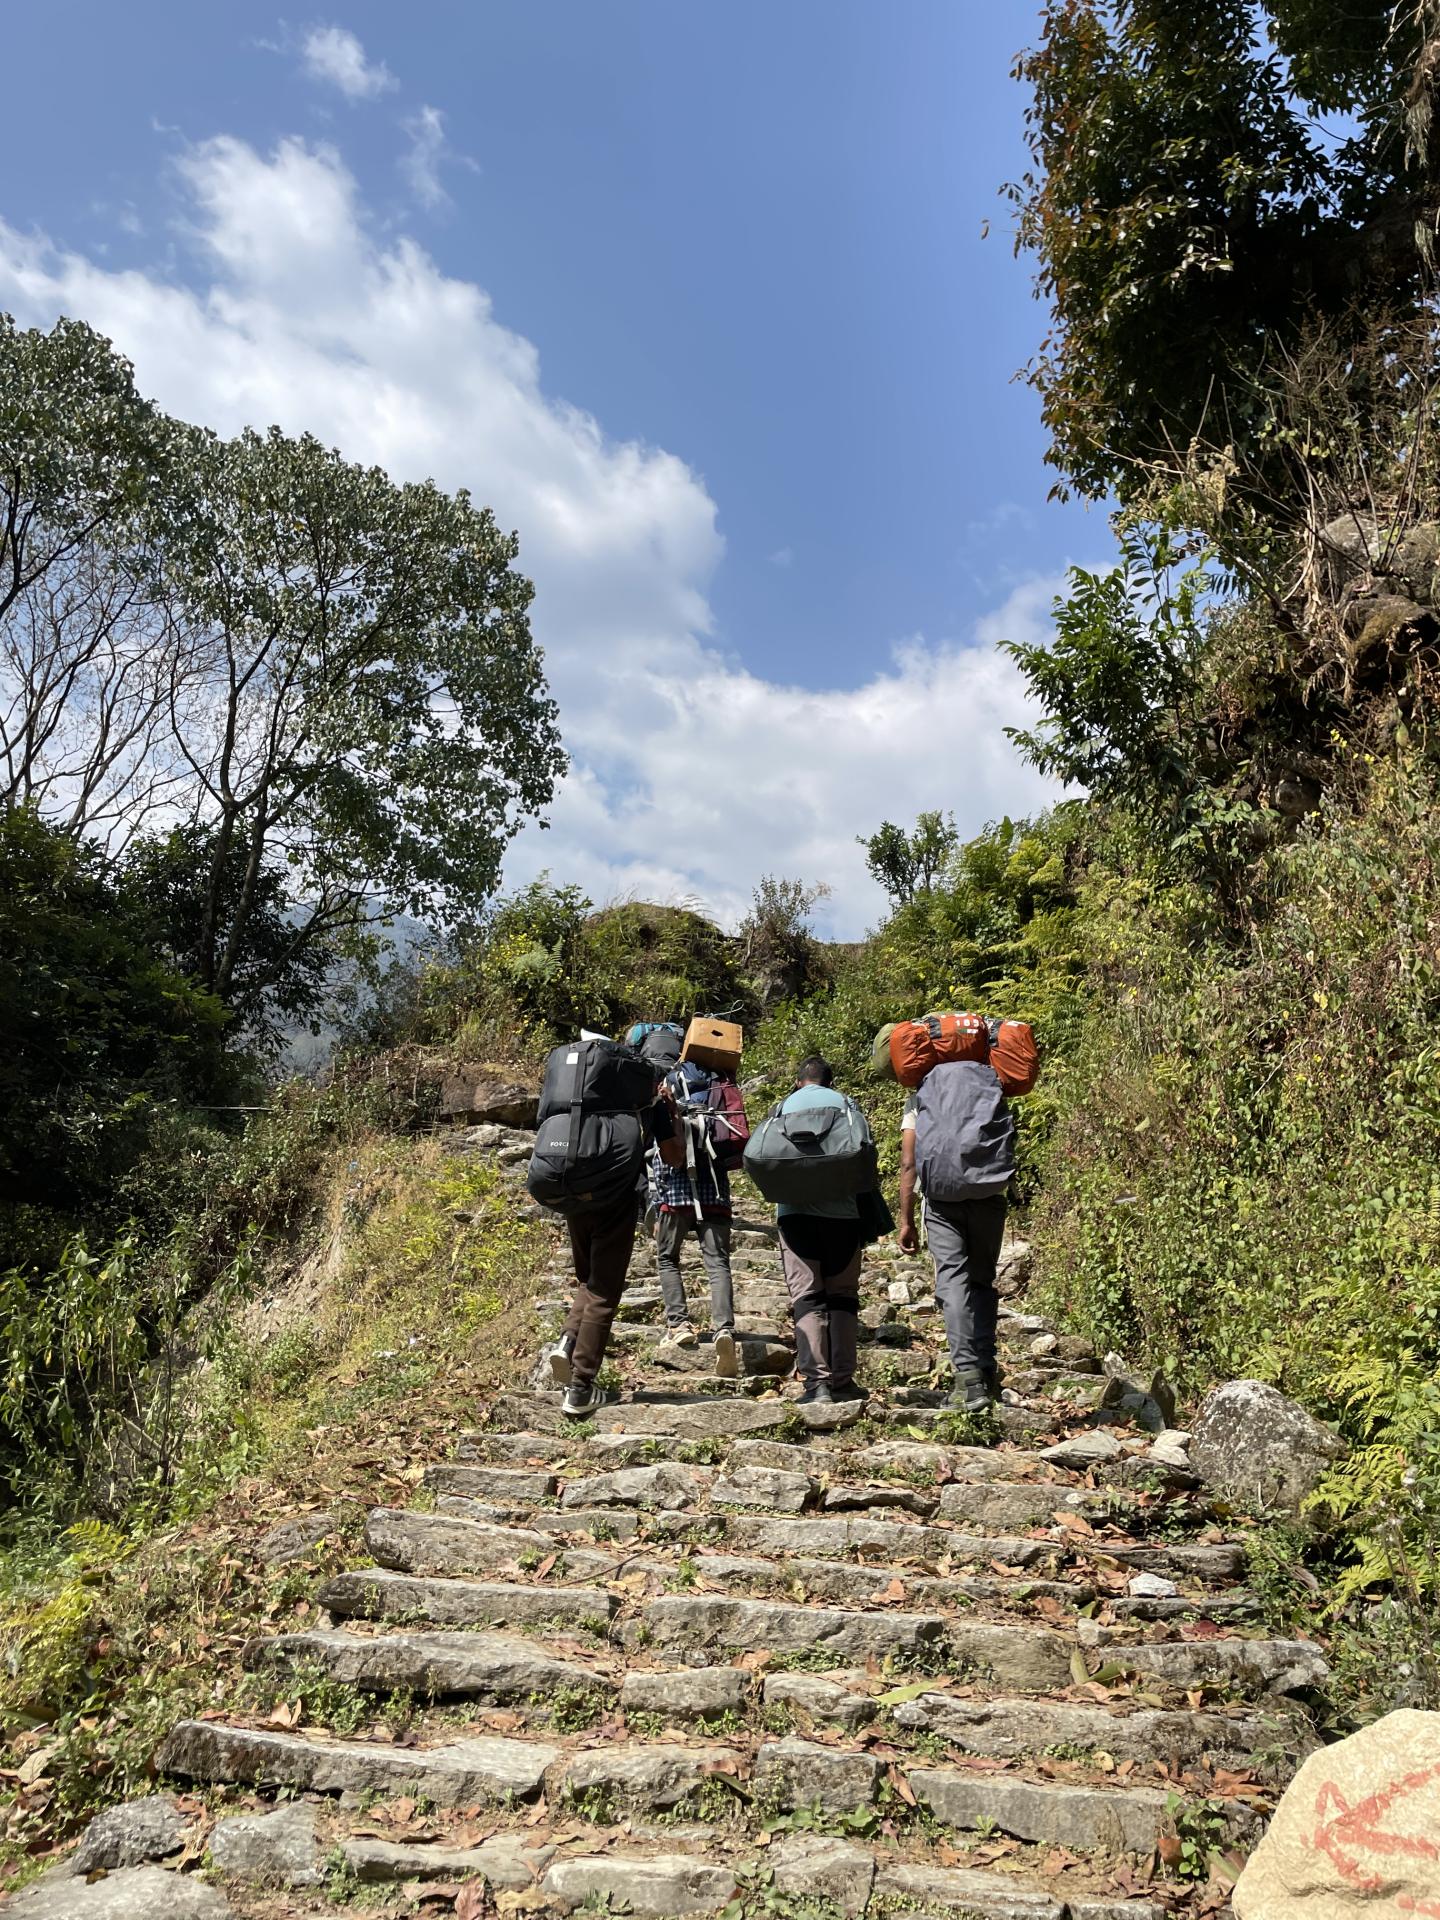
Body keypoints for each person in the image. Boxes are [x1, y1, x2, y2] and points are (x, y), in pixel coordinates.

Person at [897, 1029, 1019, 1415]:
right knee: (982, 1281)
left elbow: (908, 1162)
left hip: (942, 1200)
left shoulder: (922, 1090)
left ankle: (967, 1379)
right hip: (988, 1195)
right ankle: (986, 1369)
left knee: (952, 1280)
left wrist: (905, 1219)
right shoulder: (991, 1077)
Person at [547, 1082, 678, 1419]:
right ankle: (580, 1388)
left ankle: (568, 1341)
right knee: (604, 1292)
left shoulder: (590, 1093)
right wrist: (670, 1113)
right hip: (616, 1201)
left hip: (574, 1193)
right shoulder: (652, 1102)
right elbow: (674, 1156)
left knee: (589, 1280)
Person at [774, 1056, 865, 1406]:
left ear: (799, 1081)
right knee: (842, 1296)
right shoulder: (846, 1105)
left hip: (795, 1214)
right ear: (830, 1081)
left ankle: (817, 1385)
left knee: (807, 1296)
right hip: (843, 1216)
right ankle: (843, 1379)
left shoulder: (783, 1106)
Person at [650, 1073, 739, 1379]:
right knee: (717, 1262)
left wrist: (654, 1204)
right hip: (714, 1195)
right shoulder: (712, 1109)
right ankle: (724, 1329)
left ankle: (679, 1324)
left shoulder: (663, 1107)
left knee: (666, 1258)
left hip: (675, 1198)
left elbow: (660, 1161)